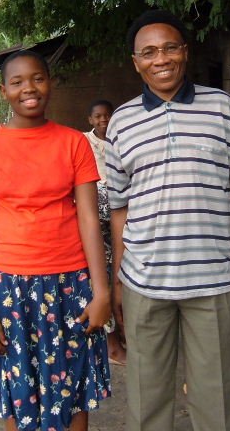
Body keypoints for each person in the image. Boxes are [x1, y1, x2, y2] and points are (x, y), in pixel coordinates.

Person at [105, 9, 230, 431]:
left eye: (169, 48)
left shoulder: (221, 107)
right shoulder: (121, 122)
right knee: (146, 400)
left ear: (185, 51)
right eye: (148, 52)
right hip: (144, 281)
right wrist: (118, 278)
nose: (160, 59)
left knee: (219, 401)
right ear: (135, 62)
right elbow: (119, 208)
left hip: (212, 280)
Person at [0, 50, 111, 431]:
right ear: (3, 91)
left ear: (51, 84)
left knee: (74, 388)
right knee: (19, 391)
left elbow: (89, 220)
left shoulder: (74, 143)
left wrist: (102, 292)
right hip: (9, 288)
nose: (28, 88)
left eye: (38, 79)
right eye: (17, 82)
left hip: (70, 284)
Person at [83, 99, 127, 365]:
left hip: (120, 218)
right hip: (96, 223)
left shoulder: (121, 140)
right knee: (104, 279)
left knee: (123, 278)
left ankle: (121, 335)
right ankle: (111, 344)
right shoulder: (83, 142)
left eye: (107, 116)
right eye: (98, 116)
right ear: (91, 120)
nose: (103, 120)